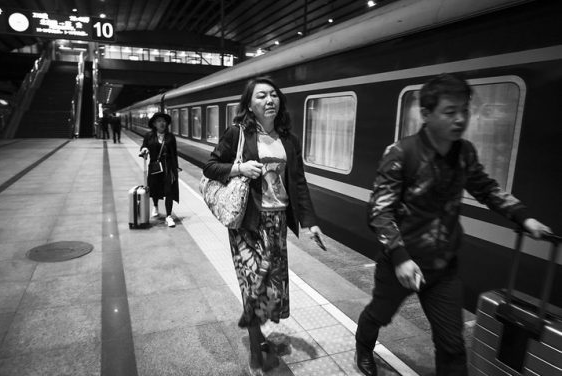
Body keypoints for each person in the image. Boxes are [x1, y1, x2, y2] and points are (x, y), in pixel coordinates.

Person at [354, 73, 551, 376]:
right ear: (426, 114)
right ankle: (364, 346)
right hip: (400, 264)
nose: (460, 119)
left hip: (443, 267)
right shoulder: (401, 153)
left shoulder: (465, 153)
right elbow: (379, 212)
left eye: (464, 111)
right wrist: (400, 258)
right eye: (450, 112)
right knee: (379, 315)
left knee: (452, 344)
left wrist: (523, 216)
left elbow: (485, 188)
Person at [203, 77, 324, 375]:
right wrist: (238, 168)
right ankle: (255, 354)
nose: (269, 100)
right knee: (254, 287)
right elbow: (210, 166)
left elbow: (298, 183)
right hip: (248, 223)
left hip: (277, 222)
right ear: (249, 105)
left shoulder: (289, 140)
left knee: (271, 288)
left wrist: (310, 223)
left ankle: (257, 331)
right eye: (261, 96)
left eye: (273, 95)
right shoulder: (238, 134)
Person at [139, 112, 179, 227]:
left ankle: (169, 216)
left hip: (168, 167)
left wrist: (175, 169)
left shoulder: (170, 137)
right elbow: (144, 146)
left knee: (169, 191)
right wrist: (144, 149)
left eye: (163, 121)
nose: (162, 123)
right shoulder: (149, 136)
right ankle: (155, 206)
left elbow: (174, 153)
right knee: (154, 188)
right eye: (159, 121)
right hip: (155, 167)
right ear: (154, 124)